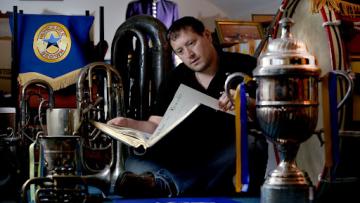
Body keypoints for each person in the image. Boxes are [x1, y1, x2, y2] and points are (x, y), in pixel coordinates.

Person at [109, 16, 268, 197]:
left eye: (191, 43)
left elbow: (270, 117)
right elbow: (156, 126)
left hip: (225, 155)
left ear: (207, 35)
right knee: (133, 161)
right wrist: (129, 123)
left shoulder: (245, 66)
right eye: (180, 51)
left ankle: (165, 184)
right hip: (186, 157)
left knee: (252, 144)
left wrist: (246, 102)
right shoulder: (174, 78)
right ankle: (181, 182)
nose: (189, 55)